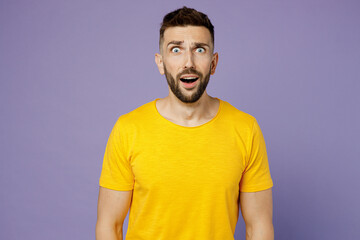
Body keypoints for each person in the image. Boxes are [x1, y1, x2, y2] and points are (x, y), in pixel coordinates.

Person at [96, 6, 274, 240]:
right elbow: (110, 226)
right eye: (176, 49)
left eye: (199, 49)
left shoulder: (245, 129)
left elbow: (258, 228)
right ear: (160, 63)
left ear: (213, 62)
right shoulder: (128, 129)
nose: (188, 62)